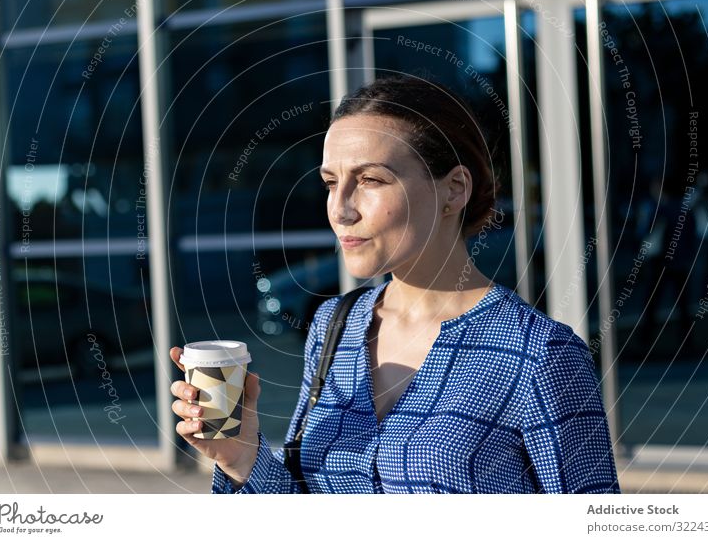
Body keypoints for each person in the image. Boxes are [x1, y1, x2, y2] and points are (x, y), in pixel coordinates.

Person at [170, 74, 621, 494]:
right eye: (331, 183)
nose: (341, 209)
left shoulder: (539, 353)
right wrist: (242, 457)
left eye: (370, 180)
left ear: (454, 189)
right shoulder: (334, 325)